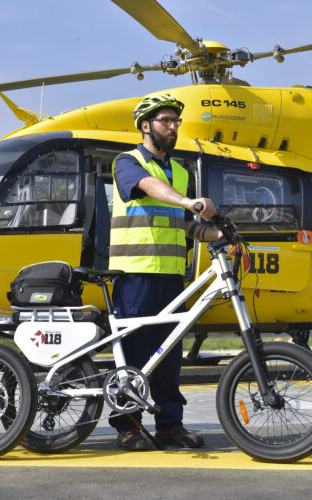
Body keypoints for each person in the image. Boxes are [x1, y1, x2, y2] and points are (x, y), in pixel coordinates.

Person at [108, 95, 221, 451]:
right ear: (146, 126)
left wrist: (217, 233)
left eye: (175, 122)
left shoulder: (181, 171)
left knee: (169, 355)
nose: (173, 127)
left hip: (172, 276)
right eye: (165, 121)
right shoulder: (128, 161)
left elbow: (185, 224)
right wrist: (189, 201)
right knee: (135, 354)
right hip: (135, 272)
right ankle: (127, 426)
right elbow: (147, 187)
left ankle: (170, 425)